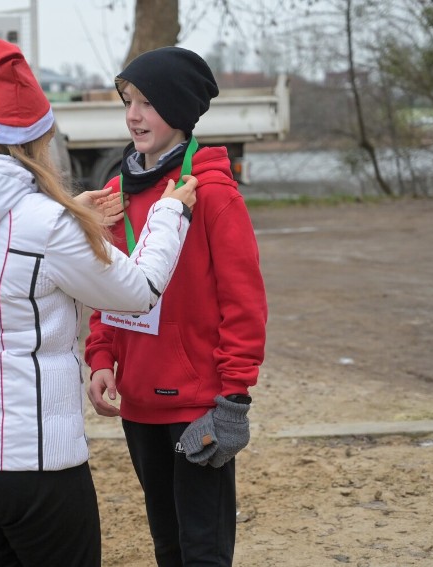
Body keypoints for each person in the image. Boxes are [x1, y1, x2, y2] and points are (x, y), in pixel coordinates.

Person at [0, 38, 199, 567]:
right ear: (34, 142)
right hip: (27, 464)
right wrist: (170, 214)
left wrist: (72, 219)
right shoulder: (45, 224)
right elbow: (138, 290)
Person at [84, 46, 268, 566]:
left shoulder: (212, 193)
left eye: (149, 103)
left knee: (203, 553)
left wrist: (234, 399)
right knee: (167, 546)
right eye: (128, 101)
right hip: (138, 404)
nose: (134, 115)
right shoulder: (117, 192)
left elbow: (245, 303)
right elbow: (108, 288)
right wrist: (101, 358)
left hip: (198, 407)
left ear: (182, 112)